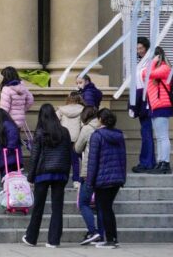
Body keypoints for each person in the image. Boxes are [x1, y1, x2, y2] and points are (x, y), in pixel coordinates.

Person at [22, 104, 72, 248]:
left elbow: (34, 157)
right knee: (57, 208)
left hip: (43, 173)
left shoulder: (40, 133)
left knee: (38, 206)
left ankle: (31, 237)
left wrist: (30, 178)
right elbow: (69, 153)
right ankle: (54, 240)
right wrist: (67, 173)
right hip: (60, 173)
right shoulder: (65, 132)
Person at [86, 109, 127, 249]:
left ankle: (110, 239)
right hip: (116, 178)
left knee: (104, 209)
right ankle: (112, 238)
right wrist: (122, 177)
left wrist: (90, 182)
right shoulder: (119, 135)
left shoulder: (97, 136)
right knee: (107, 208)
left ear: (101, 120)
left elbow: (93, 161)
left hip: (102, 179)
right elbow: (123, 158)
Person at [74, 105, 104, 246]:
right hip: (103, 171)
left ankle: (93, 231)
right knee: (100, 205)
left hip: (89, 171)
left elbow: (77, 148)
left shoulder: (87, 129)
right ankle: (102, 234)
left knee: (83, 203)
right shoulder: (103, 127)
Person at [142, 46, 173, 174]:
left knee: (163, 136)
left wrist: (155, 61)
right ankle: (161, 162)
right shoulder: (156, 68)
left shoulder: (165, 68)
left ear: (157, 56)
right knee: (159, 137)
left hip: (162, 105)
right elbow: (145, 73)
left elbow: (146, 73)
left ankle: (165, 163)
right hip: (155, 106)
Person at [130, 37, 156, 173]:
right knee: (146, 133)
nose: (139, 51)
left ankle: (146, 163)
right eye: (137, 49)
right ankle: (148, 162)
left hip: (148, 102)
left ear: (146, 48)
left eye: (141, 48)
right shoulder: (141, 63)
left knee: (147, 133)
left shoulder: (150, 62)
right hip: (142, 101)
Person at [56, 91, 85, 188]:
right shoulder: (82, 110)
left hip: (63, 137)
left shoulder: (61, 110)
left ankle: (61, 179)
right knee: (75, 160)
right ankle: (76, 180)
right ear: (79, 99)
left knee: (63, 159)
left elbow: (54, 121)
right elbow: (83, 125)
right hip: (76, 138)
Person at [0, 66, 35, 131]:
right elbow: (30, 100)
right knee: (16, 138)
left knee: (10, 140)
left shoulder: (6, 89)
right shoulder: (22, 87)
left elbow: (4, 109)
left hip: (9, 121)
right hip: (20, 120)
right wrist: (22, 110)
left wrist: (0, 121)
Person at [0, 108, 22, 180]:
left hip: (9, 159)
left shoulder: (7, 125)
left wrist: (9, 150)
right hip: (6, 159)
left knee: (9, 180)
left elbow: (12, 138)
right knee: (7, 181)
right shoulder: (4, 126)